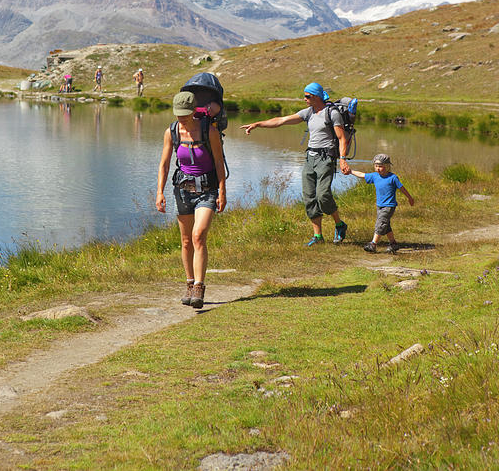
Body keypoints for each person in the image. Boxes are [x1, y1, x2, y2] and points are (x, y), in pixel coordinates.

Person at [242, 81, 349, 246]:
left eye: (307, 96)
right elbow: (281, 120)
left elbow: (342, 138)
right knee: (309, 197)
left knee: (323, 196)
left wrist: (342, 159)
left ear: (317, 96)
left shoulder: (332, 113)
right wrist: (257, 124)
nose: (305, 99)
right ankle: (318, 237)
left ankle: (339, 224)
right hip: (310, 158)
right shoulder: (308, 112)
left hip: (326, 158)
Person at [156, 91, 227, 309]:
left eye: (185, 115)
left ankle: (199, 286)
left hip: (207, 190)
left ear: (194, 111)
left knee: (198, 235)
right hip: (183, 190)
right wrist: (160, 192)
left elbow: (218, 163)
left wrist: (222, 191)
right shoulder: (172, 132)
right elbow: (165, 163)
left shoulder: (210, 131)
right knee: (186, 241)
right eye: (178, 115)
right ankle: (189, 283)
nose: (182, 119)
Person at [343, 153, 414, 253]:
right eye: (376, 166)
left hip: (389, 206)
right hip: (379, 205)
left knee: (380, 224)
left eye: (380, 166)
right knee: (386, 226)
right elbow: (362, 175)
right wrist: (350, 171)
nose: (378, 168)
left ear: (387, 166)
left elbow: (402, 188)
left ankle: (373, 244)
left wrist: (409, 198)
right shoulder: (375, 176)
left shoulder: (393, 177)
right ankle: (393, 244)